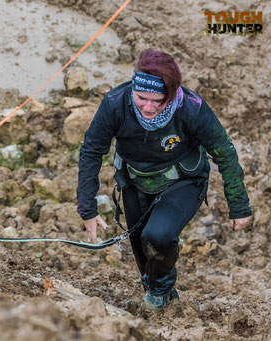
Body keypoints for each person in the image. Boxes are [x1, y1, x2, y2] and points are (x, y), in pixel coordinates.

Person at [76, 49, 252, 311]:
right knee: (144, 256)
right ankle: (165, 299)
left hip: (182, 181)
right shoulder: (115, 103)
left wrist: (238, 205)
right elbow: (91, 149)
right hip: (135, 181)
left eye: (157, 100)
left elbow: (224, 152)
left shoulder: (192, 109)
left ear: (170, 94)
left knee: (158, 236)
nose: (147, 107)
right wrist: (87, 208)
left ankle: (158, 296)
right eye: (141, 98)